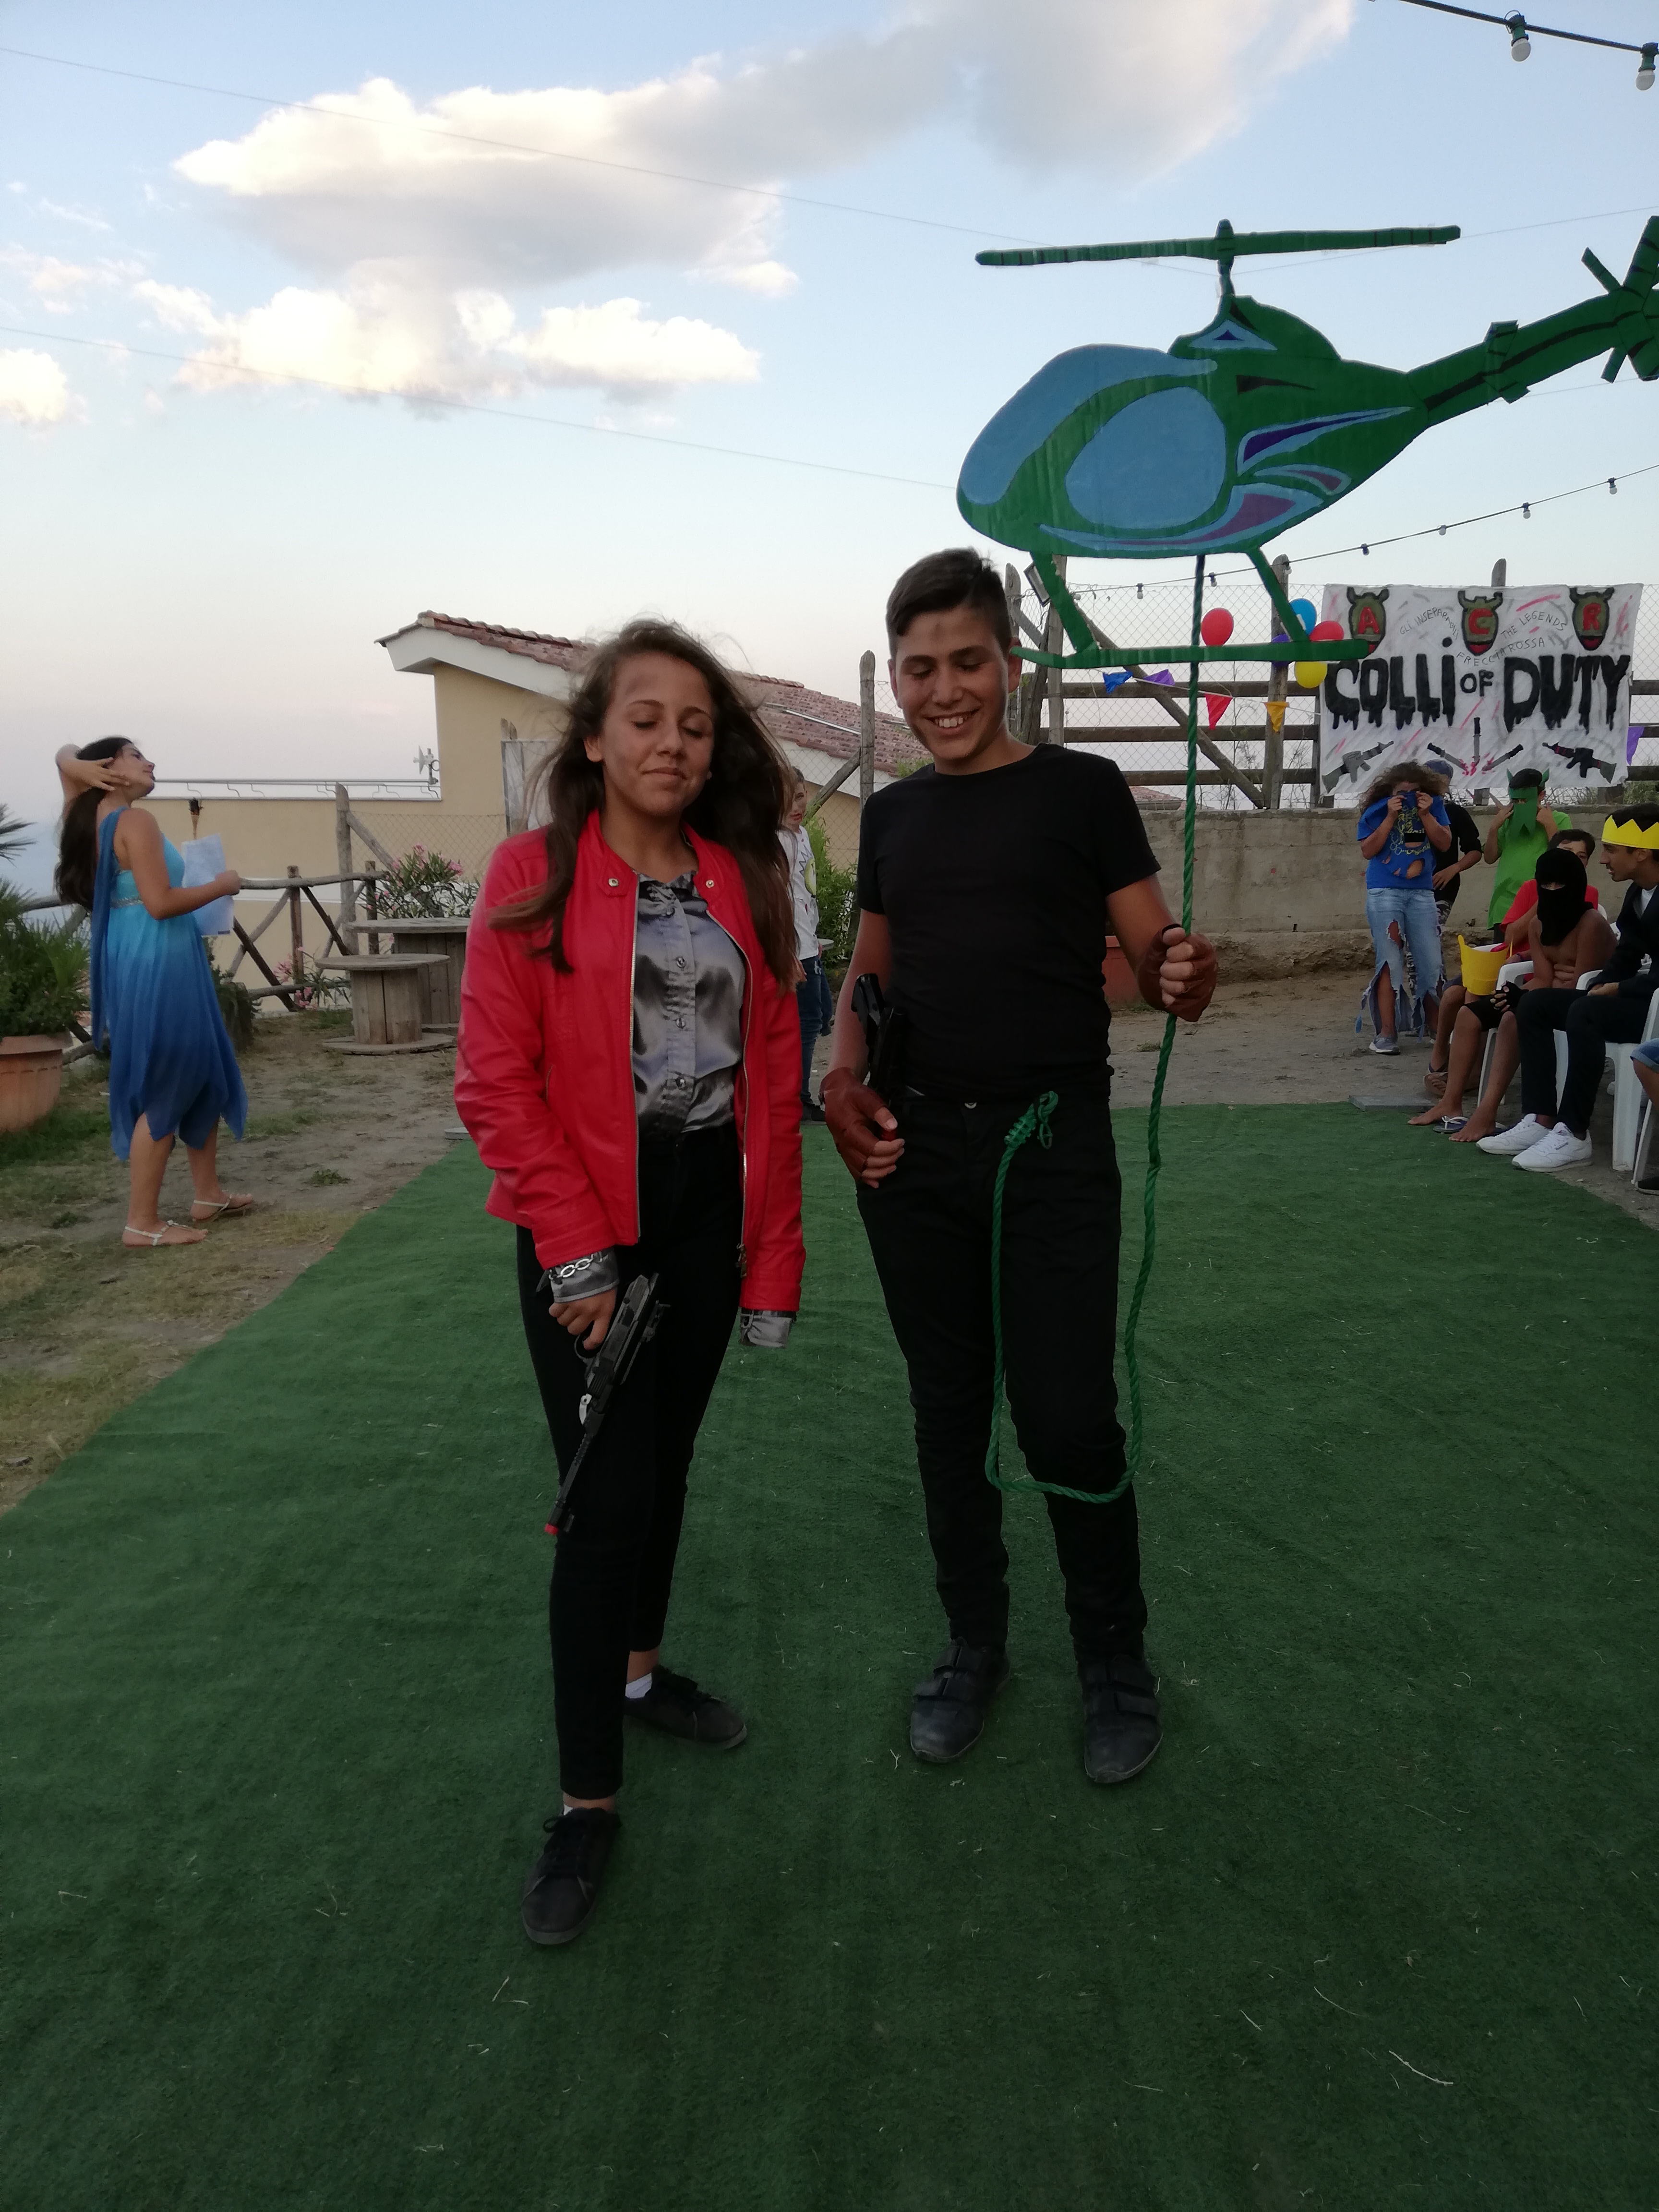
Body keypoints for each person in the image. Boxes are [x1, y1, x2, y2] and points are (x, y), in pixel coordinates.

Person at [821, 549, 1216, 1789]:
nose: (943, 691)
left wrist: (1184, 971)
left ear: (1012, 663)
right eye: (919, 669)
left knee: (1067, 1417)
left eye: (966, 663)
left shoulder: (1083, 791)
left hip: (1053, 1149)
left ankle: (1114, 1659)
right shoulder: (892, 818)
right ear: (898, 677)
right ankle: (974, 1647)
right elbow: (868, 976)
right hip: (912, 1155)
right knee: (949, 1411)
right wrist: (840, 1088)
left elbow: (1154, 957)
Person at [455, 619, 804, 1948]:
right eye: (646, 718)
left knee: (667, 1469)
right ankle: (584, 1802)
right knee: (604, 1504)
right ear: (595, 736)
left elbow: (772, 1075)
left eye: (695, 725)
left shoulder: (740, 877)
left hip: (707, 1211)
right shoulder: (531, 874)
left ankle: (641, 1677)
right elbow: (495, 1079)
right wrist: (577, 1250)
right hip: (587, 1217)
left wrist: (773, 1257)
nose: (672, 743)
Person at [54, 738, 250, 1249]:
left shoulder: (83, 816)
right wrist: (224, 885)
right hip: (159, 953)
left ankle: (207, 1195)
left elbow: (65, 753)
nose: (150, 763)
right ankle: (141, 1221)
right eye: (136, 755)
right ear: (109, 768)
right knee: (172, 1074)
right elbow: (161, 903)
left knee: (203, 1065)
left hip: (131, 951)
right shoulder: (133, 821)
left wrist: (72, 764)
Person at [1478, 805, 1659, 1171]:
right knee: (1536, 1005)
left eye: (1611, 850)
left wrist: (1617, 989)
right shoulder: (1637, 894)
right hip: (1639, 997)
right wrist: (1603, 983)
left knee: (1585, 1011)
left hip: (1652, 1005)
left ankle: (1574, 1133)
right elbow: (1627, 954)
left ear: (1641, 853)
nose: (1603, 859)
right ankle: (1540, 1117)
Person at [1407, 846, 1614, 1135]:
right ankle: (1450, 1103)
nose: (1553, 891)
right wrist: (1514, 993)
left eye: (1560, 885)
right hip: (1544, 997)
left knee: (1511, 1018)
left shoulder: (1591, 924)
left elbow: (1582, 984)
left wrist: (1527, 997)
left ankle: (1487, 1112)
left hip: (1576, 1003)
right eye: (1546, 885)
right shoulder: (1539, 924)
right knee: (1469, 1014)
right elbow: (1543, 977)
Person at [1355, 766, 1451, 1053]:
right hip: (1385, 891)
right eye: (1402, 793)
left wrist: (1426, 814)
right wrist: (1390, 816)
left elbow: (1444, 843)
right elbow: (1368, 850)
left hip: (1421, 892)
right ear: (1390, 793)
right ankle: (1387, 1033)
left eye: (1415, 792)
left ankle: (1436, 1028)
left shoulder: (1434, 807)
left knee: (1431, 960)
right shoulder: (1377, 810)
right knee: (1390, 961)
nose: (1408, 796)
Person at [780, 774, 831, 1122]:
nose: (796, 806)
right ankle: (797, 1099)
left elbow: (803, 892)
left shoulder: (802, 835)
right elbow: (773, 897)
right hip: (793, 949)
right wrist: (786, 949)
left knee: (823, 1013)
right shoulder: (778, 841)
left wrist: (813, 936)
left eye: (800, 797)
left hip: (807, 944)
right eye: (786, 799)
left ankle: (793, 1094)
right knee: (809, 1021)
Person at [1481, 768, 1569, 929]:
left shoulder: (1559, 819)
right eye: (1516, 801)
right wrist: (1494, 828)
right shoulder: (1507, 822)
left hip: (1542, 902)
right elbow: (1489, 858)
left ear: (1541, 796)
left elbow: (1565, 860)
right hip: (1505, 905)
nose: (1520, 805)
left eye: (1525, 800)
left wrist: (1550, 826)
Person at [1432, 793, 1483, 930]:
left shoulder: (1454, 812)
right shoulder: (1405, 813)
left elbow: (1475, 851)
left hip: (1441, 886)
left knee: (1431, 932)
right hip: (1409, 885)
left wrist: (1453, 869)